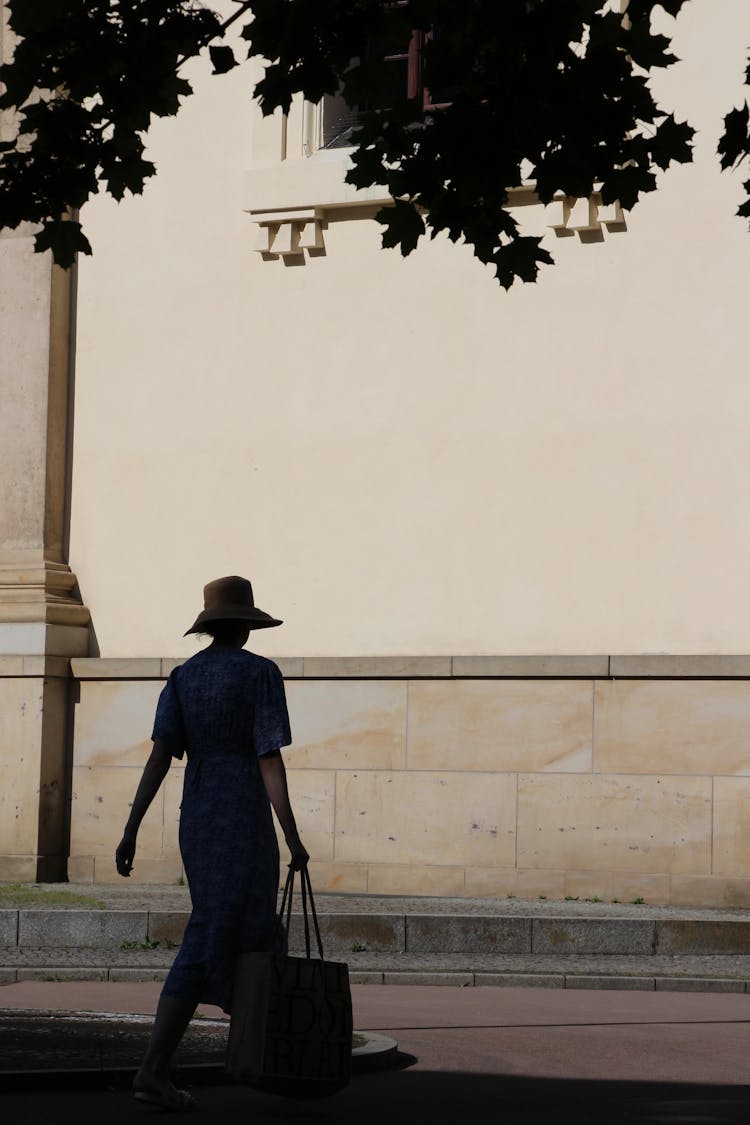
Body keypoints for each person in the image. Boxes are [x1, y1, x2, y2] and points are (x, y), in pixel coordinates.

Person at [115, 576, 309, 1112]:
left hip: (198, 814)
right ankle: (154, 1069)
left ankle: (256, 1057)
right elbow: (269, 757)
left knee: (244, 928)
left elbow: (159, 758)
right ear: (245, 626)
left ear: (208, 626)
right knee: (222, 931)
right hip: (244, 815)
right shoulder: (261, 674)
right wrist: (291, 832)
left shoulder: (183, 677)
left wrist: (130, 828)